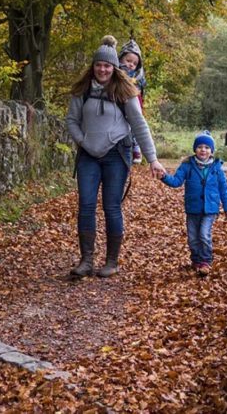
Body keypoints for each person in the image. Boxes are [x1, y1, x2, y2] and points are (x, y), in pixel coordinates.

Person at [66, 36, 166, 278]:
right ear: (94, 66)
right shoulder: (83, 90)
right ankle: (86, 261)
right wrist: (82, 141)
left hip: (116, 155)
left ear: (114, 68)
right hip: (88, 155)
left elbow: (139, 125)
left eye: (107, 66)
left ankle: (111, 261)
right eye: (99, 65)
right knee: (86, 206)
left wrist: (152, 158)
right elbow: (71, 121)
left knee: (111, 207)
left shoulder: (125, 91)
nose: (103, 69)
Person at [159, 131, 227, 276]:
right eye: (200, 147)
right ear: (195, 149)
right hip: (193, 208)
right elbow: (176, 182)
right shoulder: (187, 166)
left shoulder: (216, 167)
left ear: (211, 150)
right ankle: (196, 260)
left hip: (210, 208)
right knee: (193, 238)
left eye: (207, 147)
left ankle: (206, 261)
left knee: (204, 235)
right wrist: (163, 176)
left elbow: (224, 188)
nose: (203, 150)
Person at [118, 37, 147, 163]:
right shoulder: (114, 73)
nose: (131, 65)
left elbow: (140, 95)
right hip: (118, 105)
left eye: (134, 64)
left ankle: (136, 146)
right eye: (128, 60)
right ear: (120, 59)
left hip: (133, 104)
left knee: (134, 124)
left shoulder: (138, 78)